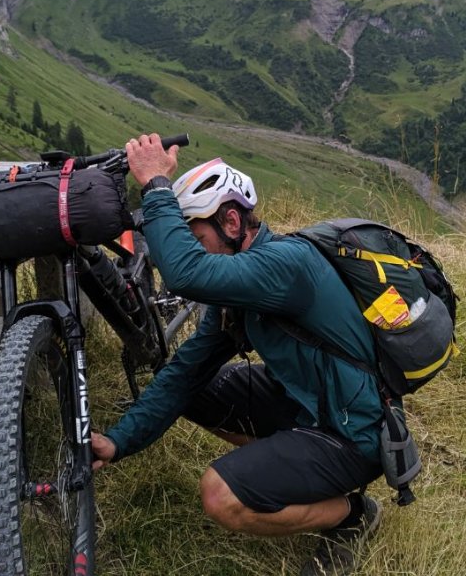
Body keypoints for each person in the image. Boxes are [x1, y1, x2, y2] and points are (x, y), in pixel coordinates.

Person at [90, 134, 385, 576]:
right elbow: (184, 373)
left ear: (231, 222)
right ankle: (285, 465)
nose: (192, 247)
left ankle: (352, 514)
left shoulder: (284, 264)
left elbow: (187, 273)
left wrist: (155, 183)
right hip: (307, 401)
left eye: (196, 236)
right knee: (193, 386)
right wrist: (119, 441)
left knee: (219, 494)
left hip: (352, 432)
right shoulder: (242, 295)